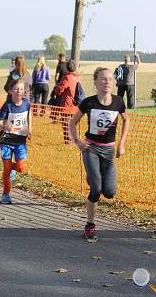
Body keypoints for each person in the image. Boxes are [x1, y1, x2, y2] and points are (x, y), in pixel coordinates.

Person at [69, 67, 130, 241]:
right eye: (103, 79)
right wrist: (78, 141)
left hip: (109, 150)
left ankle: (93, 177)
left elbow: (127, 120)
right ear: (95, 82)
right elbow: (73, 122)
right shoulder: (89, 103)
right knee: (96, 189)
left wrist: (121, 144)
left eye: (110, 79)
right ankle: (90, 226)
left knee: (109, 192)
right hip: (91, 149)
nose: (107, 82)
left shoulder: (118, 102)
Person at [0, 78, 32, 204]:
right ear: (11, 91)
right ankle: (5, 194)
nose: (19, 91)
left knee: (21, 167)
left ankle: (10, 168)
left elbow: (28, 115)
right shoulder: (7, 106)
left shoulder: (26, 103)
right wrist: (5, 127)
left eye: (21, 89)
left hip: (20, 141)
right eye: (16, 89)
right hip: (6, 141)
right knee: (6, 168)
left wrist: (30, 129)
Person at [55, 59, 81, 143]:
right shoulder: (78, 77)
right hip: (76, 104)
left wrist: (56, 89)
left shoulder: (67, 77)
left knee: (66, 123)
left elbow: (60, 90)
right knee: (73, 123)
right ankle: (72, 139)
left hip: (67, 104)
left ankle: (68, 140)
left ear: (67, 67)